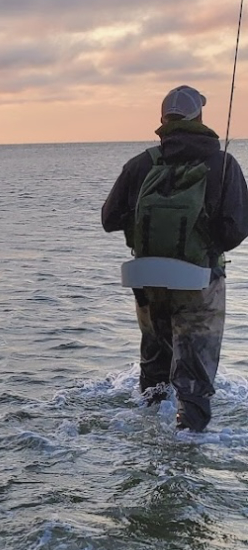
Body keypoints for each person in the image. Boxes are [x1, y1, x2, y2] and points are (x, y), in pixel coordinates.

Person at [101, 85, 248, 432]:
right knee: (194, 378)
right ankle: (189, 447)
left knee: (154, 371)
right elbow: (235, 231)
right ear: (200, 117)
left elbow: (109, 219)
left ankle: (149, 435)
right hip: (200, 283)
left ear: (162, 120)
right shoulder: (222, 163)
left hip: (147, 283)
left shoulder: (141, 164)